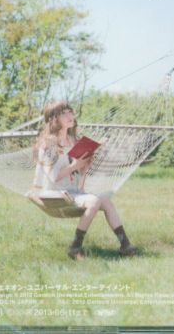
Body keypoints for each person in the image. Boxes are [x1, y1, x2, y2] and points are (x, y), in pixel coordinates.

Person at [34, 100, 139, 260]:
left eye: (70, 111)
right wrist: (75, 165)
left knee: (105, 200)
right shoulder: (48, 144)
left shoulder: (72, 141)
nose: (70, 115)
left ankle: (125, 245)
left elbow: (78, 177)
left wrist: (85, 166)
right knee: (94, 201)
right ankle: (75, 247)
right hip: (53, 193)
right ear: (54, 119)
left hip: (72, 191)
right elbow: (53, 176)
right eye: (64, 113)